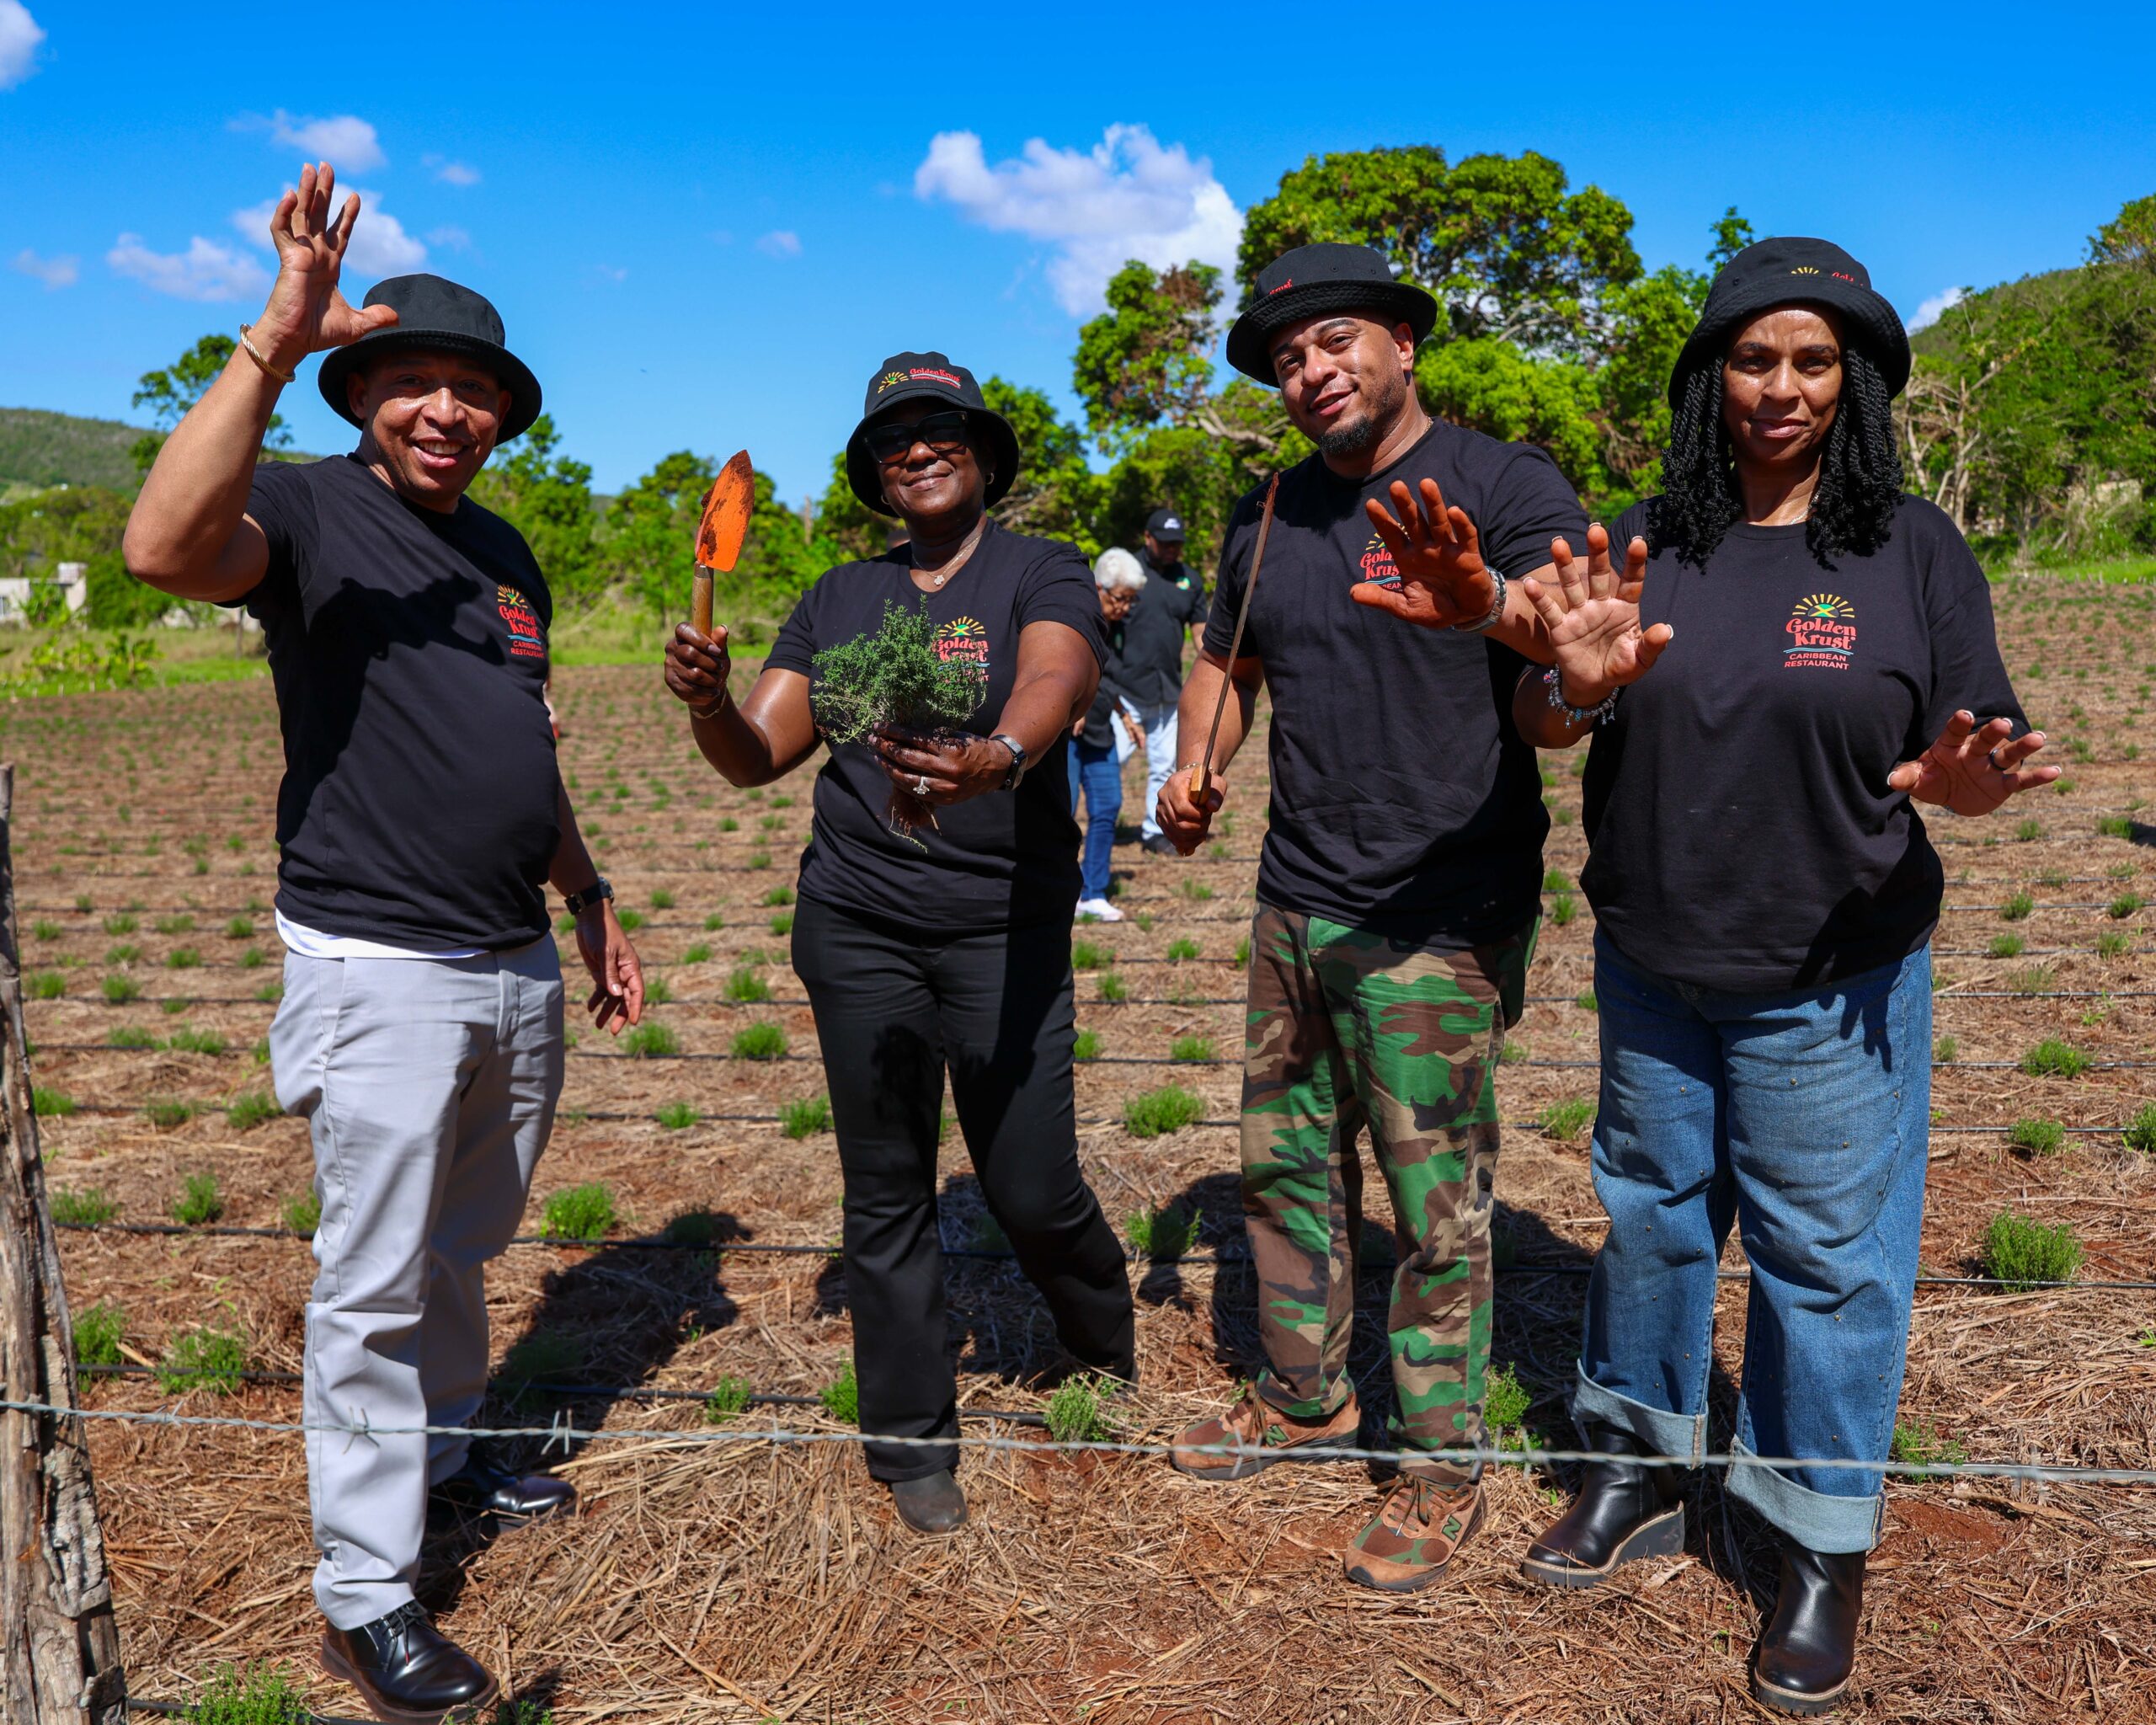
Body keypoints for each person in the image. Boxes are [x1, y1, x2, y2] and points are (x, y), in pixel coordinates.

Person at [1505, 238, 2057, 1716]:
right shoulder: (1648, 534)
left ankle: (1818, 1543)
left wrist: (1968, 782)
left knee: (1827, 1263)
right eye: (1756, 357)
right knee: (1651, 1223)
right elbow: (1549, 715)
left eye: (1817, 361)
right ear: (1712, 376)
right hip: (1657, 962)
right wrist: (1575, 682)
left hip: (1836, 975)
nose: (1784, 387)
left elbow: (1979, 748)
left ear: (1857, 381)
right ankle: (1640, 1468)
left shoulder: (1912, 547)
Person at [121, 163, 643, 1721]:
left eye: (471, 391)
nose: (442, 411)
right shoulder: (302, 502)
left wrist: (592, 894)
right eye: (411, 381)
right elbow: (158, 545)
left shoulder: (508, 555)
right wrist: (271, 336)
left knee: (466, 1243)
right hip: (381, 966)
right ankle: (365, 1590)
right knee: (370, 1280)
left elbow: (522, 748)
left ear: (501, 418)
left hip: (515, 957)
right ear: (359, 392)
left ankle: (451, 1458)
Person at [1156, 242, 1583, 1592]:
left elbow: (1567, 646)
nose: (1310, 371)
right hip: (1297, 904)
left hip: (1441, 914)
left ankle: (1447, 1460)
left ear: (1404, 342)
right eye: (1286, 359)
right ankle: (1305, 1395)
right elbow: (1227, 657)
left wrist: (1485, 603)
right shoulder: (1272, 513)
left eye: (1334, 340)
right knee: (1285, 1170)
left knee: (1434, 1204)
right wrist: (1194, 760)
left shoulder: (1504, 482)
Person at [662, 351, 1135, 1536]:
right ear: (874, 469)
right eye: (892, 439)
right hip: (859, 924)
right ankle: (911, 1440)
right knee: (885, 1192)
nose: (915, 450)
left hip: (1002, 928)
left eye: (940, 431)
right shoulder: (836, 597)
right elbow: (758, 755)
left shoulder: (1042, 569)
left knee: (1030, 1185)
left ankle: (1097, 1333)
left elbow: (1055, 673)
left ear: (982, 453)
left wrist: (1002, 759)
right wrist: (712, 701)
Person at [1123, 507, 1208, 854]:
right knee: (1106, 761)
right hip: (1123, 690)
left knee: (1163, 765)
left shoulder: (1188, 580)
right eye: (1165, 542)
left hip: (1168, 690)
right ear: (1147, 538)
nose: (1172, 549)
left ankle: (1151, 832)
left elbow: (1201, 633)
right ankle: (1086, 823)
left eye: (1177, 544)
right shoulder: (1126, 571)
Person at [1070, 548, 1147, 920]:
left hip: (1100, 730)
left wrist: (1126, 716)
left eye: (1130, 601)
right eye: (1120, 599)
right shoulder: (1071, 617)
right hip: (1066, 735)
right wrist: (1074, 704)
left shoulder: (1115, 629)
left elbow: (1109, 677)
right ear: (1098, 588)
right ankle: (1059, 890)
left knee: (1107, 807)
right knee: (1063, 812)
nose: (1124, 608)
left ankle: (1093, 891)